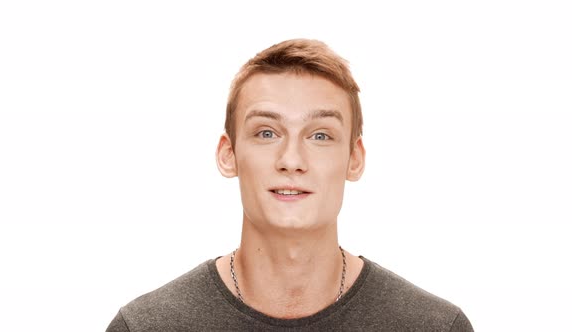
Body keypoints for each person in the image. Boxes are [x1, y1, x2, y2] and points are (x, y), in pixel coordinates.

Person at [106, 39, 474, 331]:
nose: (292, 160)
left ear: (354, 158)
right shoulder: (146, 326)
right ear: (228, 154)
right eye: (266, 132)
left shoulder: (433, 327)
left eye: (320, 135)